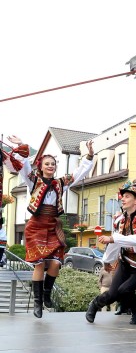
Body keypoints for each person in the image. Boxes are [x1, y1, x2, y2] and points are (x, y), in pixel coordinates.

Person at [5, 135, 94, 318]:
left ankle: (46, 294)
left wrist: (90, 156)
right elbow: (24, 167)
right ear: (41, 166)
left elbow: (78, 174)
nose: (50, 166)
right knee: (39, 265)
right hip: (36, 226)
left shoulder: (61, 183)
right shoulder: (33, 181)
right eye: (47, 164)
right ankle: (37, 303)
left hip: (53, 226)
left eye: (53, 164)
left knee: (55, 263)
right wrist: (21, 145)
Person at [85, 178, 136, 325]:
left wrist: (113, 238)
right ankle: (95, 304)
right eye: (122, 196)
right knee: (112, 294)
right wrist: (106, 261)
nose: (122, 199)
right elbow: (115, 243)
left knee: (124, 290)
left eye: (127, 196)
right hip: (126, 262)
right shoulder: (119, 221)